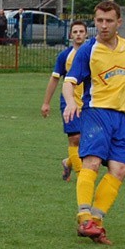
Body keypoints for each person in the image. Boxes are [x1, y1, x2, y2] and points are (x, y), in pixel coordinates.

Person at [62, 0, 125, 246]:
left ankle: (95, 221)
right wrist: (70, 102)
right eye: (99, 20)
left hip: (120, 116)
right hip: (96, 112)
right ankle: (84, 215)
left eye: (109, 20)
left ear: (119, 22)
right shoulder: (88, 50)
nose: (103, 25)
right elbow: (70, 82)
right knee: (92, 162)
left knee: (120, 169)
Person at [41, 20, 88, 182]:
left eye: (81, 31)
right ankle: (82, 176)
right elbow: (54, 79)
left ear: (86, 34)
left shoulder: (93, 53)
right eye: (75, 32)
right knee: (74, 138)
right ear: (70, 35)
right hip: (69, 103)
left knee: (87, 139)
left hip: (89, 103)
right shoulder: (64, 56)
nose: (78, 35)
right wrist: (46, 103)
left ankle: (68, 162)